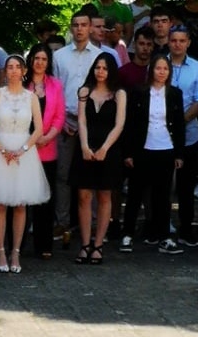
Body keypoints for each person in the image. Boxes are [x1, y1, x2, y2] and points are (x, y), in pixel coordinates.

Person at [0, 54, 50, 274]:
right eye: (9, 67)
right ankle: (0, 250)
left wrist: (22, 149)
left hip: (23, 151)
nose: (13, 71)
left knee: (21, 204)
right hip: (0, 150)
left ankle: (16, 252)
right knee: (0, 203)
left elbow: (39, 128)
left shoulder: (31, 97)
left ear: (23, 71)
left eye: (17, 67)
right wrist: (1, 148)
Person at [121, 54, 185, 252]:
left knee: (163, 196)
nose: (161, 72)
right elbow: (130, 124)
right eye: (158, 68)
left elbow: (180, 125)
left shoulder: (175, 93)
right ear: (151, 70)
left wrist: (179, 154)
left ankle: (163, 235)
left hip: (166, 148)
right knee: (135, 194)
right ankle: (128, 234)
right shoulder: (139, 92)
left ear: (169, 72)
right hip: (142, 149)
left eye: (165, 69)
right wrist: (129, 153)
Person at [70, 53, 126, 264]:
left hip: (109, 148)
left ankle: (99, 244)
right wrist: (84, 145)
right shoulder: (84, 91)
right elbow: (82, 121)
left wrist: (104, 148)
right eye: (97, 67)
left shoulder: (119, 94)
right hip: (85, 146)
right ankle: (85, 244)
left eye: (104, 68)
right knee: (83, 196)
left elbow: (119, 124)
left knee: (104, 196)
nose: (100, 71)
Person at [53, 10, 103, 246]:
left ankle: (92, 223)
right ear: (71, 28)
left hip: (92, 124)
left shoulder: (102, 56)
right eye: (75, 25)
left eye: (84, 25)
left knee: (91, 175)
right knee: (62, 174)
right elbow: (54, 91)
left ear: (91, 27)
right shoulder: (60, 56)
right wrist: (61, 120)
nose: (80, 29)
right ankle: (62, 221)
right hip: (66, 120)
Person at [26, 44, 66, 259]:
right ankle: (18, 244)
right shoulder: (23, 85)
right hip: (24, 149)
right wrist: (30, 140)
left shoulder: (55, 85)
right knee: (21, 199)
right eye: (36, 58)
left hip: (47, 149)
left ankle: (44, 245)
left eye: (44, 58)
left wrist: (48, 136)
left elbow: (59, 116)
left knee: (46, 199)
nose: (39, 62)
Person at [167, 24, 198, 250]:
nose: (177, 44)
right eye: (173, 40)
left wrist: (180, 123)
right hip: (160, 136)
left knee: (186, 187)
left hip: (189, 135)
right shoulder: (159, 65)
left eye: (181, 40)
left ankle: (186, 228)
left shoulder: (197, 68)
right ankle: (160, 228)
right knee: (161, 186)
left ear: (188, 43)